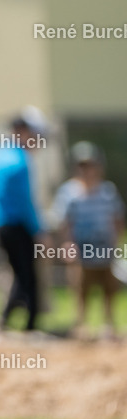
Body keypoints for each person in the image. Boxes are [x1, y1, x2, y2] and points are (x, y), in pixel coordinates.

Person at [51, 142, 124, 340]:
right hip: (82, 249)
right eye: (83, 166)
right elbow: (63, 222)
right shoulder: (69, 192)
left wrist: (116, 243)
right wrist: (67, 244)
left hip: (104, 248)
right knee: (80, 288)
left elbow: (117, 220)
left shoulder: (108, 192)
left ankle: (109, 324)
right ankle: (81, 325)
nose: (87, 170)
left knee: (109, 288)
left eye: (90, 165)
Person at [0, 109, 47, 331]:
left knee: (10, 271)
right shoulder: (21, 160)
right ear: (22, 132)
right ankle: (31, 322)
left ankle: (5, 318)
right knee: (27, 273)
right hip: (18, 225)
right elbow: (26, 201)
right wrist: (39, 229)